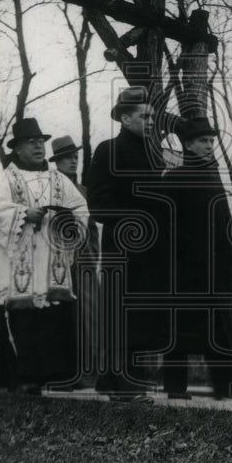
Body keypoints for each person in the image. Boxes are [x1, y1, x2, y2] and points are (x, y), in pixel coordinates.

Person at [0, 119, 88, 394]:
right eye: (32, 142)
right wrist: (22, 214)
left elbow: (81, 208)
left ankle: (56, 376)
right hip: (21, 265)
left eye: (41, 141)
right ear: (17, 148)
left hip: (52, 263)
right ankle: (24, 377)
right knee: (26, 321)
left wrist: (69, 220)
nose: (39, 146)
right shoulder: (5, 180)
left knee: (54, 322)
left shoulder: (58, 179)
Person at [85, 86, 168, 404]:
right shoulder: (108, 150)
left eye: (152, 116)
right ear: (124, 117)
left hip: (153, 250)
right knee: (123, 316)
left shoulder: (156, 152)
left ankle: (114, 380)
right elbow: (98, 206)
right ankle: (126, 386)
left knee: (144, 317)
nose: (150, 121)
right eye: (144, 116)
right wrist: (137, 214)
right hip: (123, 249)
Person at [159, 117, 232, 400]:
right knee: (180, 329)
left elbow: (225, 220)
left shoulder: (215, 175)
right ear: (187, 144)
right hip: (185, 269)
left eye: (211, 141)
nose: (210, 146)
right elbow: (167, 226)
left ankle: (225, 386)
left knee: (221, 328)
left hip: (217, 266)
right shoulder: (173, 178)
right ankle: (175, 387)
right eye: (203, 141)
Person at [49, 135, 100, 390]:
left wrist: (91, 259)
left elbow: (93, 232)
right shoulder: (50, 190)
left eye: (75, 157)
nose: (72, 161)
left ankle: (87, 375)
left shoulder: (84, 193)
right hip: (57, 268)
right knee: (59, 321)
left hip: (84, 266)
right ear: (56, 162)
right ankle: (61, 374)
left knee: (88, 321)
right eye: (66, 158)